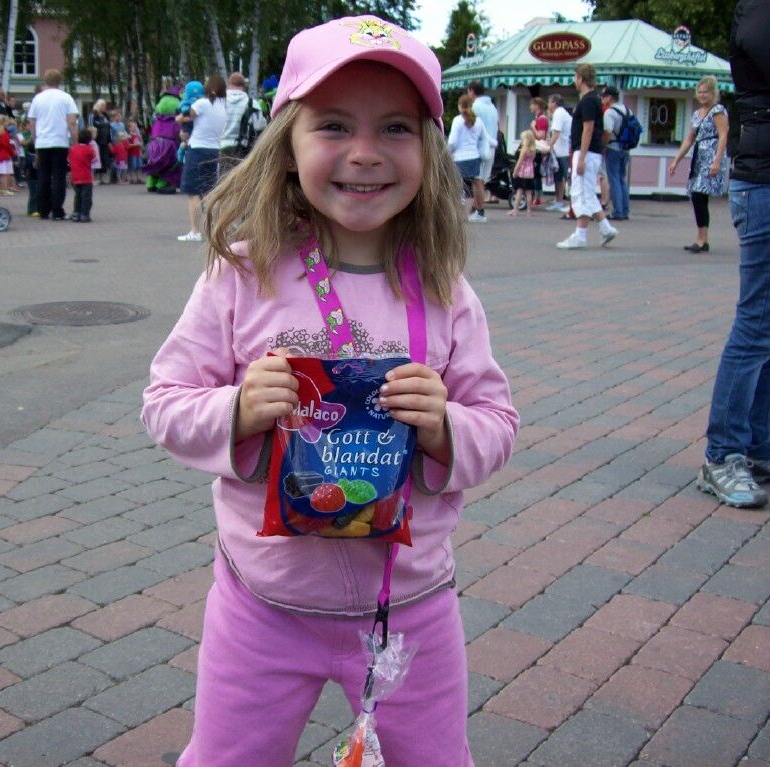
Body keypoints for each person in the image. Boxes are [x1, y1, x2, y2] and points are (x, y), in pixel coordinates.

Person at [141, 15, 518, 766]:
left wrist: (445, 428)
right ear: (288, 143)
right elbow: (164, 401)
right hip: (262, 606)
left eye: (395, 128)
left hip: (409, 609)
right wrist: (238, 411)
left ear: (430, 149)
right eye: (335, 125)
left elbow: (498, 421)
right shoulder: (242, 274)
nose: (365, 152)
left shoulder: (445, 290)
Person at [695, 0, 770, 509]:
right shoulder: (756, 11)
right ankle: (722, 454)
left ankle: (758, 447)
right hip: (763, 180)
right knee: (757, 321)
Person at [556, 64, 618, 250]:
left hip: (586, 152)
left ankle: (580, 235)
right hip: (589, 152)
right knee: (588, 192)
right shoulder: (593, 99)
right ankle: (606, 228)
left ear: (581, 78)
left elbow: (588, 128)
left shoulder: (588, 100)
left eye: (575, 77)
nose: (574, 81)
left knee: (581, 193)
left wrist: (581, 157)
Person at [669, 77, 730, 252]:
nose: (702, 95)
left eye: (705, 92)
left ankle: (702, 239)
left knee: (698, 195)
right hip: (698, 158)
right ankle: (702, 238)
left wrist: (717, 161)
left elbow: (723, 135)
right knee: (697, 197)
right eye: (700, 92)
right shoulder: (696, 114)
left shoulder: (717, 111)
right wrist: (676, 160)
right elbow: (689, 139)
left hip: (711, 156)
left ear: (713, 93)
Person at [176, 75, 226, 242]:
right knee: (209, 191)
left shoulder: (202, 103)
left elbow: (184, 117)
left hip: (197, 149)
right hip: (215, 150)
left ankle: (195, 231)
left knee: (193, 192)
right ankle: (220, 228)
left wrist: (180, 118)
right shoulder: (223, 106)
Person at [27, 69, 77, 220]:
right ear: (59, 81)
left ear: (45, 80)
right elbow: (72, 122)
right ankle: (57, 210)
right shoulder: (66, 97)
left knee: (43, 176)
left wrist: (35, 141)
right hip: (60, 141)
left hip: (42, 142)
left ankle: (43, 209)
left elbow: (32, 123)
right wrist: (75, 142)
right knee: (59, 177)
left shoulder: (37, 99)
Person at [218, 71, 267, 176]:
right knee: (241, 180)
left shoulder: (219, 102)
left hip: (222, 147)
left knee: (223, 180)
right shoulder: (252, 103)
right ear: (243, 86)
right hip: (243, 148)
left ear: (229, 84)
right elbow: (260, 126)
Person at [448, 95, 489, 211]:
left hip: (460, 158)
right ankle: (477, 210)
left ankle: (462, 213)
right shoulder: (478, 121)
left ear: (460, 106)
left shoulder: (458, 120)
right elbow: (483, 137)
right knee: (474, 185)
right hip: (474, 157)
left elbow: (452, 142)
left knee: (460, 187)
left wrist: (448, 152)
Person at [467, 80, 497, 222]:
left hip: (479, 148)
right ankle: (476, 208)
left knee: (476, 180)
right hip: (491, 147)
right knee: (481, 179)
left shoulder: (476, 107)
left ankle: (479, 211)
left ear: (471, 91)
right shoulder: (492, 107)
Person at [601, 86, 632, 221]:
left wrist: (603, 146)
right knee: (622, 179)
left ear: (609, 97)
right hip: (626, 148)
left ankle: (617, 211)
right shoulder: (627, 110)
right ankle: (625, 210)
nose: (602, 99)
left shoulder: (610, 112)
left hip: (613, 147)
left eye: (603, 97)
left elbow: (608, 132)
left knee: (613, 179)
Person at [546, 94, 573, 212]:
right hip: (560, 150)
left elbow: (556, 133)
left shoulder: (558, 113)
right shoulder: (560, 113)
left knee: (566, 177)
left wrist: (548, 146)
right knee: (559, 177)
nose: (548, 104)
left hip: (563, 151)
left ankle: (571, 204)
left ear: (554, 103)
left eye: (549, 102)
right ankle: (559, 201)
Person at [68, 127, 96, 222]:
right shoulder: (89, 149)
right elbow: (93, 158)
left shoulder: (73, 148)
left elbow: (69, 159)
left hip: (75, 176)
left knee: (77, 196)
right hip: (86, 177)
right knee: (86, 197)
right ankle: (84, 214)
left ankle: (76, 213)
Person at [509, 129, 536, 217]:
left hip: (522, 172)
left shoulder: (524, 149)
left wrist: (515, 171)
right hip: (530, 173)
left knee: (519, 191)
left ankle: (516, 210)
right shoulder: (533, 150)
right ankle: (529, 210)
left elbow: (520, 161)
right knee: (529, 192)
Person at [529, 97, 549, 207]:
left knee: (536, 173)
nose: (530, 107)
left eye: (532, 104)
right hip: (536, 148)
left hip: (538, 149)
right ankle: (536, 196)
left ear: (537, 106)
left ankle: (537, 197)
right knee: (535, 172)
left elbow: (541, 136)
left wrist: (533, 127)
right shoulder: (538, 118)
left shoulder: (542, 119)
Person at [87, 100, 111, 184]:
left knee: (104, 159)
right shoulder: (92, 115)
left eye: (104, 105)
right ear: (98, 106)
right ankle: (95, 177)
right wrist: (91, 140)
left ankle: (102, 178)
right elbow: (90, 127)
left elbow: (109, 128)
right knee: (96, 158)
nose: (104, 107)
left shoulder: (106, 116)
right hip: (96, 141)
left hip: (105, 141)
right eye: (102, 105)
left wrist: (109, 140)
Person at [0, 115, 17, 194]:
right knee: (5, 174)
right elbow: (6, 144)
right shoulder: (4, 133)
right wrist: (12, 152)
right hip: (5, 156)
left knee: (1, 174)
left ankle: (2, 189)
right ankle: (5, 189)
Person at [126, 119, 143, 183]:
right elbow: (127, 145)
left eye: (135, 126)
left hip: (138, 153)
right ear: (129, 128)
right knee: (133, 166)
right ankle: (132, 179)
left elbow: (140, 143)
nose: (134, 128)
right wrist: (136, 144)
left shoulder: (137, 135)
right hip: (132, 154)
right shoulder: (128, 136)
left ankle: (138, 178)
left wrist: (140, 146)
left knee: (139, 166)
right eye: (132, 127)